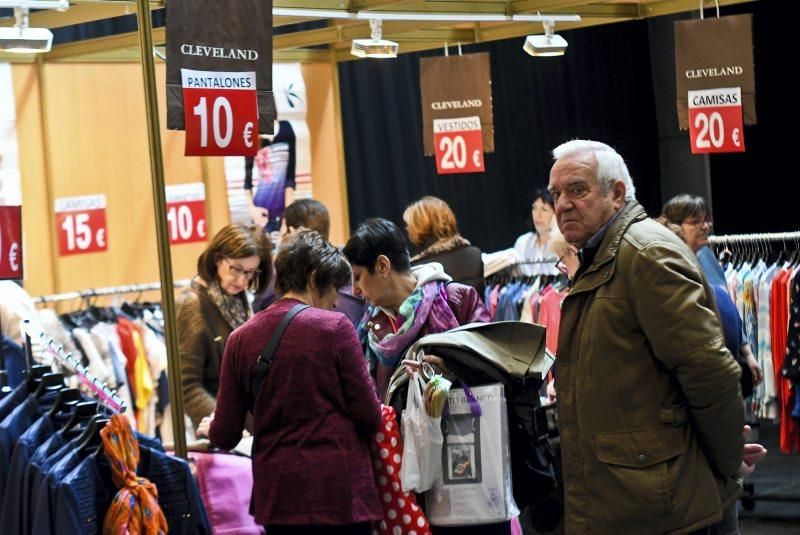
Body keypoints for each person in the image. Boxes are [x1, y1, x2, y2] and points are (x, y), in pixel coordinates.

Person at [547, 139, 744, 533]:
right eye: (556, 193)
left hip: (656, 508)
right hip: (630, 499)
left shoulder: (645, 254)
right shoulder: (601, 257)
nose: (563, 204)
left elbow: (709, 373)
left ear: (617, 192)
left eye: (578, 189)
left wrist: (724, 469)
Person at [200, 230, 382, 533]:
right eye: (333, 289)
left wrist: (212, 426)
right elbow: (370, 415)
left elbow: (226, 435)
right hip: (340, 494)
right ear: (313, 278)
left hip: (279, 498)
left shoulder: (240, 339)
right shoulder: (336, 328)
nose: (337, 301)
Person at [342, 218, 490, 401]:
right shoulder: (370, 329)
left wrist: (453, 369)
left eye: (357, 277)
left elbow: (493, 363)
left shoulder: (458, 300)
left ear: (383, 266)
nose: (355, 290)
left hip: (465, 426)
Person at [661, 195, 763, 398]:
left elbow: (729, 307)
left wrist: (747, 353)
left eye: (706, 220)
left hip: (728, 368)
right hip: (706, 378)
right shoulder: (672, 267)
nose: (706, 226)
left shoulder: (706, 256)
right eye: (695, 222)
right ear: (675, 227)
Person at [177, 224, 272, 430]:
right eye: (236, 269)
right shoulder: (192, 304)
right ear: (217, 258)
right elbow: (188, 387)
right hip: (222, 432)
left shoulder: (239, 299)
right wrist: (226, 424)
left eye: (249, 273)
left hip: (251, 428)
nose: (242, 279)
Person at [404, 196, 484, 292]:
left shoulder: (416, 270)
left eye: (409, 225)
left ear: (419, 225)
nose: (407, 229)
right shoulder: (474, 253)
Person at [513, 189, 561, 276]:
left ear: (556, 214)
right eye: (534, 208)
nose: (537, 215)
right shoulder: (522, 242)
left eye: (544, 209)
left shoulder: (563, 244)